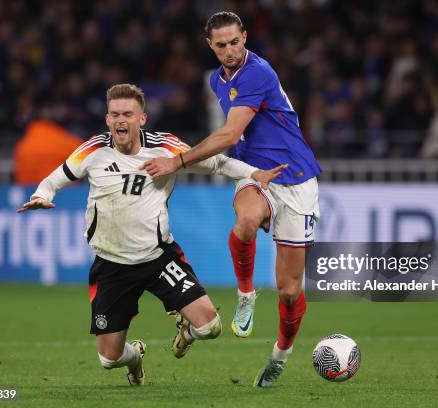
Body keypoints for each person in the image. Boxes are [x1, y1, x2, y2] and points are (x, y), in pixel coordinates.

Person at [17, 83, 284, 386]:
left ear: (142, 118)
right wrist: (42, 194)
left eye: (128, 114)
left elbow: (217, 163)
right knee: (109, 359)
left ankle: (186, 331)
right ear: (107, 120)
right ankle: (136, 358)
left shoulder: (167, 148)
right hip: (112, 265)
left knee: (210, 327)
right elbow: (56, 178)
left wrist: (253, 174)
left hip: (158, 259)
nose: (121, 120)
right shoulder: (93, 151)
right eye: (115, 114)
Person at [140, 12, 322, 387]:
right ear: (210, 45)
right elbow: (237, 139)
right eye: (220, 45)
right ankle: (245, 294)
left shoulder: (258, 72)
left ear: (245, 38)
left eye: (234, 42)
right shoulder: (217, 80)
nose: (228, 50)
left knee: (289, 292)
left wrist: (178, 161)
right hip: (257, 175)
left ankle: (280, 356)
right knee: (246, 220)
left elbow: (229, 134)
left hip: (296, 178)